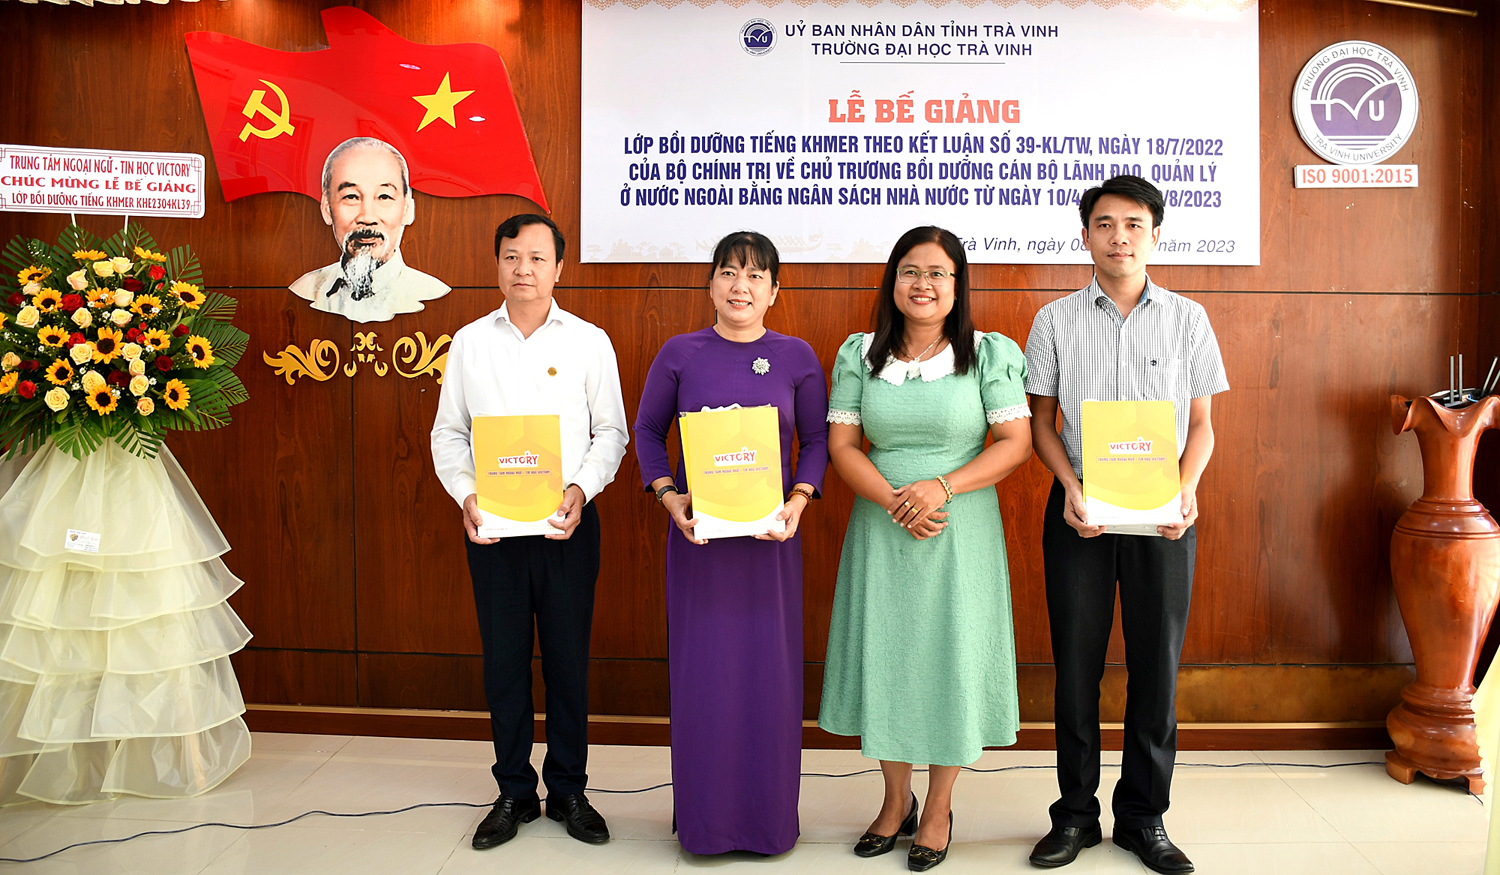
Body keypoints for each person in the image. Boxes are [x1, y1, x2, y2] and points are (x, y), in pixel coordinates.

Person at [1023, 175, 1228, 874]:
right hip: (1079, 511)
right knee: (1075, 670)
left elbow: (1201, 426)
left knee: (1156, 668)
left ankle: (1145, 817)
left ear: (1156, 235)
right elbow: (1042, 424)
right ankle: (1075, 815)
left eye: (1134, 224)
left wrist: (1187, 488)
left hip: (1165, 518)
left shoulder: (1189, 318)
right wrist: (1071, 486)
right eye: (1105, 224)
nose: (1119, 237)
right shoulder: (1053, 320)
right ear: (1084, 236)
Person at [818, 226, 1033, 872]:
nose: (924, 284)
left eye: (939, 272)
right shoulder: (859, 353)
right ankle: (893, 801)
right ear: (893, 282)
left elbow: (1014, 443)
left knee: (949, 660)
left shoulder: (989, 354)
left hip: (958, 531)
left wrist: (941, 486)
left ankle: (937, 806)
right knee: (888, 656)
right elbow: (842, 448)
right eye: (911, 271)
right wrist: (894, 500)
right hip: (883, 528)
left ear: (958, 285)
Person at [430, 213, 628, 850]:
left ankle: (569, 787)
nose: (524, 270)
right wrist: (466, 495)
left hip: (566, 526)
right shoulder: (468, 342)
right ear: (497, 265)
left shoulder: (589, 341)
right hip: (492, 531)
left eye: (537, 258)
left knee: (569, 662)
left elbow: (612, 433)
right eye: (512, 257)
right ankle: (514, 788)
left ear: (558, 268)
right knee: (505, 663)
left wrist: (580, 490)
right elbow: (448, 433)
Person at [633, 231, 829, 856]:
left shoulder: (796, 356)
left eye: (754, 276)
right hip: (700, 545)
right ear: (711, 283)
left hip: (771, 546)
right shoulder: (680, 353)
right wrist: (668, 495)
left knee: (768, 681)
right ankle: (705, 824)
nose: (739, 287)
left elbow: (820, 441)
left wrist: (799, 499)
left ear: (774, 289)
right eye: (727, 273)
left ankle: (768, 823)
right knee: (704, 680)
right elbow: (648, 430)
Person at [290, 136, 449, 322]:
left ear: (406, 209)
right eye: (351, 197)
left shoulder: (433, 295)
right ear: (326, 208)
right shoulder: (305, 291)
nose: (367, 218)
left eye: (383, 197)